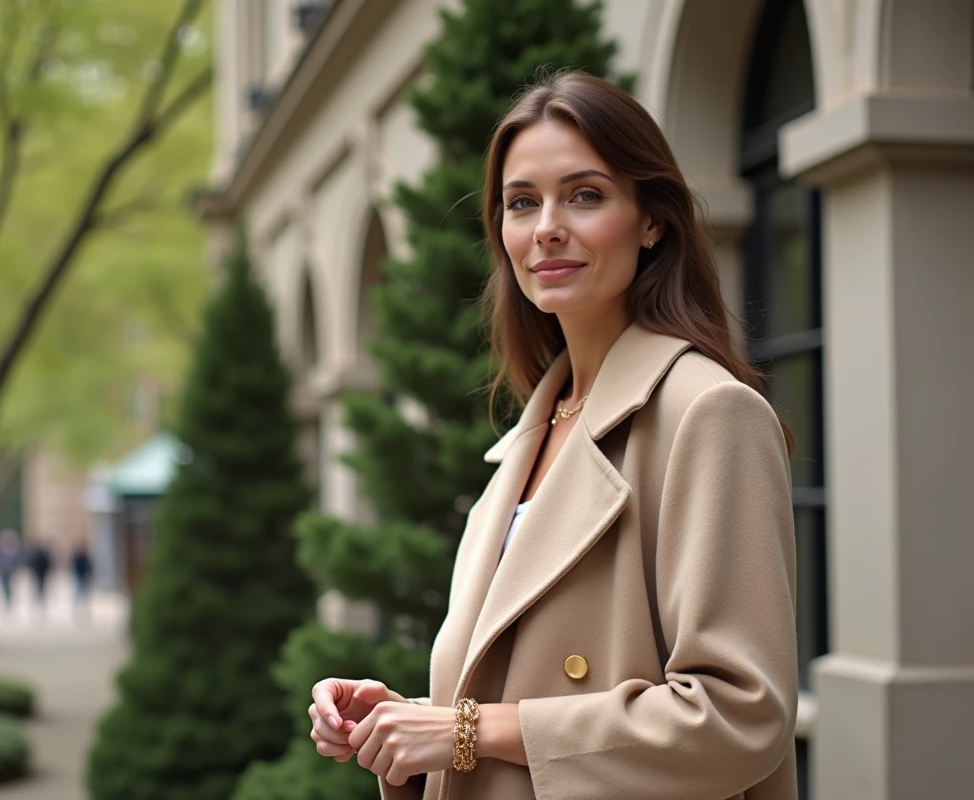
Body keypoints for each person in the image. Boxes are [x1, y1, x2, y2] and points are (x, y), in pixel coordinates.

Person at [308, 71, 799, 799]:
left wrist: (466, 730)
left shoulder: (707, 413)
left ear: (652, 220)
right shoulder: (535, 428)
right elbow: (515, 693)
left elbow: (739, 715)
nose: (546, 228)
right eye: (521, 203)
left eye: (585, 195)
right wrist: (406, 725)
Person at [0, 530, 21, 611]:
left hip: (10, 573)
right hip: (1, 572)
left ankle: (8, 601)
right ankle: (4, 601)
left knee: (8, 587)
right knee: (3, 587)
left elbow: (16, 563)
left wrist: (15, 571)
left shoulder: (13, 551)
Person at [26, 540, 53, 613]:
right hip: (37, 573)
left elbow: (47, 563)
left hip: (41, 573)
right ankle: (38, 599)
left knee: (41, 587)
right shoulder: (34, 554)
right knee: (38, 587)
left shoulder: (42, 554)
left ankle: (40, 599)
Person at [70, 543, 93, 617]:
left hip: (83, 576)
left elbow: (89, 566)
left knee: (84, 594)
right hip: (78, 576)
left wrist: (89, 574)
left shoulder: (85, 556)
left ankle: (85, 609)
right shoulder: (78, 557)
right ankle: (76, 609)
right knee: (78, 592)